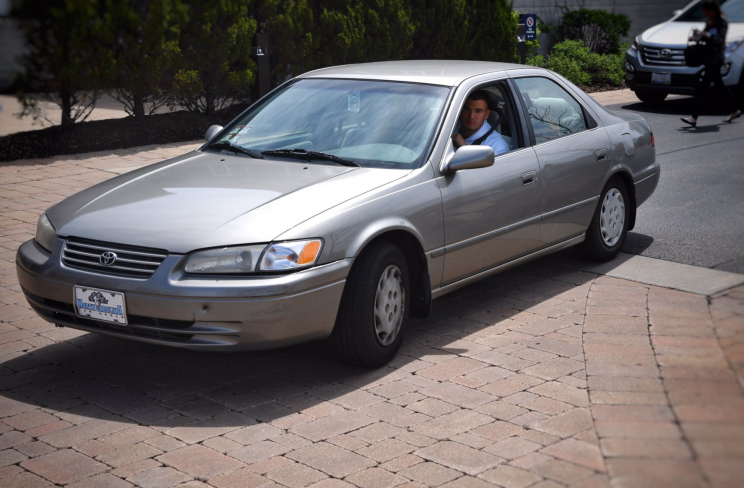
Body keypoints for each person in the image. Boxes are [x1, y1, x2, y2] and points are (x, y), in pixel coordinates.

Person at [681, 0, 741, 127]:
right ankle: (735, 110)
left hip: (716, 60)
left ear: (713, 10)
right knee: (720, 87)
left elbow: (719, 38)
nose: (706, 14)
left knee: (703, 88)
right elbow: (705, 37)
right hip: (708, 58)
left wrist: (706, 34)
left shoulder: (722, 22)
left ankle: (694, 117)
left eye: (707, 12)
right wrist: (697, 37)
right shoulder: (709, 22)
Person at [452, 90, 509, 156]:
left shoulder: (496, 146)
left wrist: (463, 148)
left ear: (486, 114)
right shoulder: (448, 127)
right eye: (467, 109)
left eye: (478, 111)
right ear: (460, 110)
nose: (471, 116)